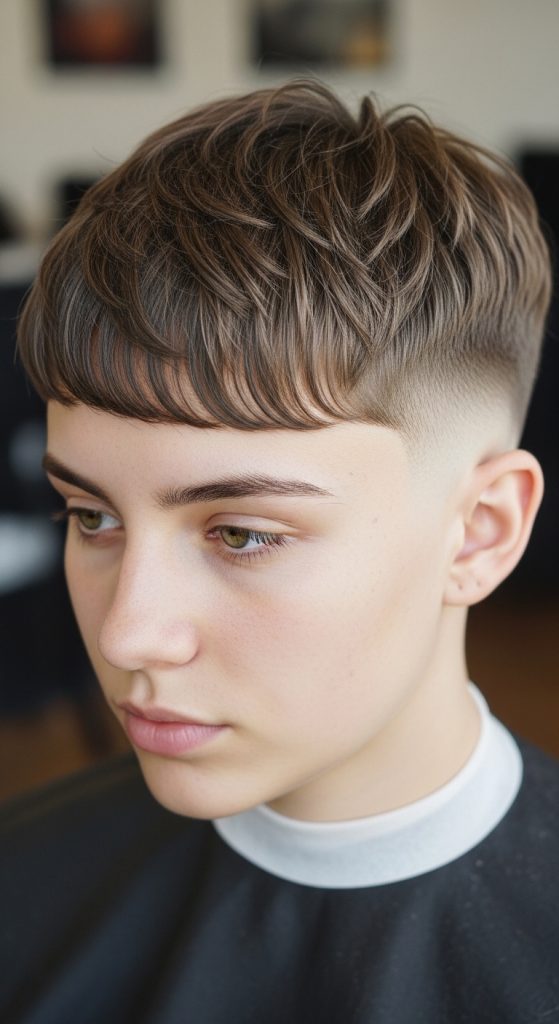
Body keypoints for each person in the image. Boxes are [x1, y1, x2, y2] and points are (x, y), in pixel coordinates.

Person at [1, 80, 558, 1023]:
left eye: (242, 534)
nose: (129, 634)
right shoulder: (20, 893)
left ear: (479, 531)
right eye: (91, 516)